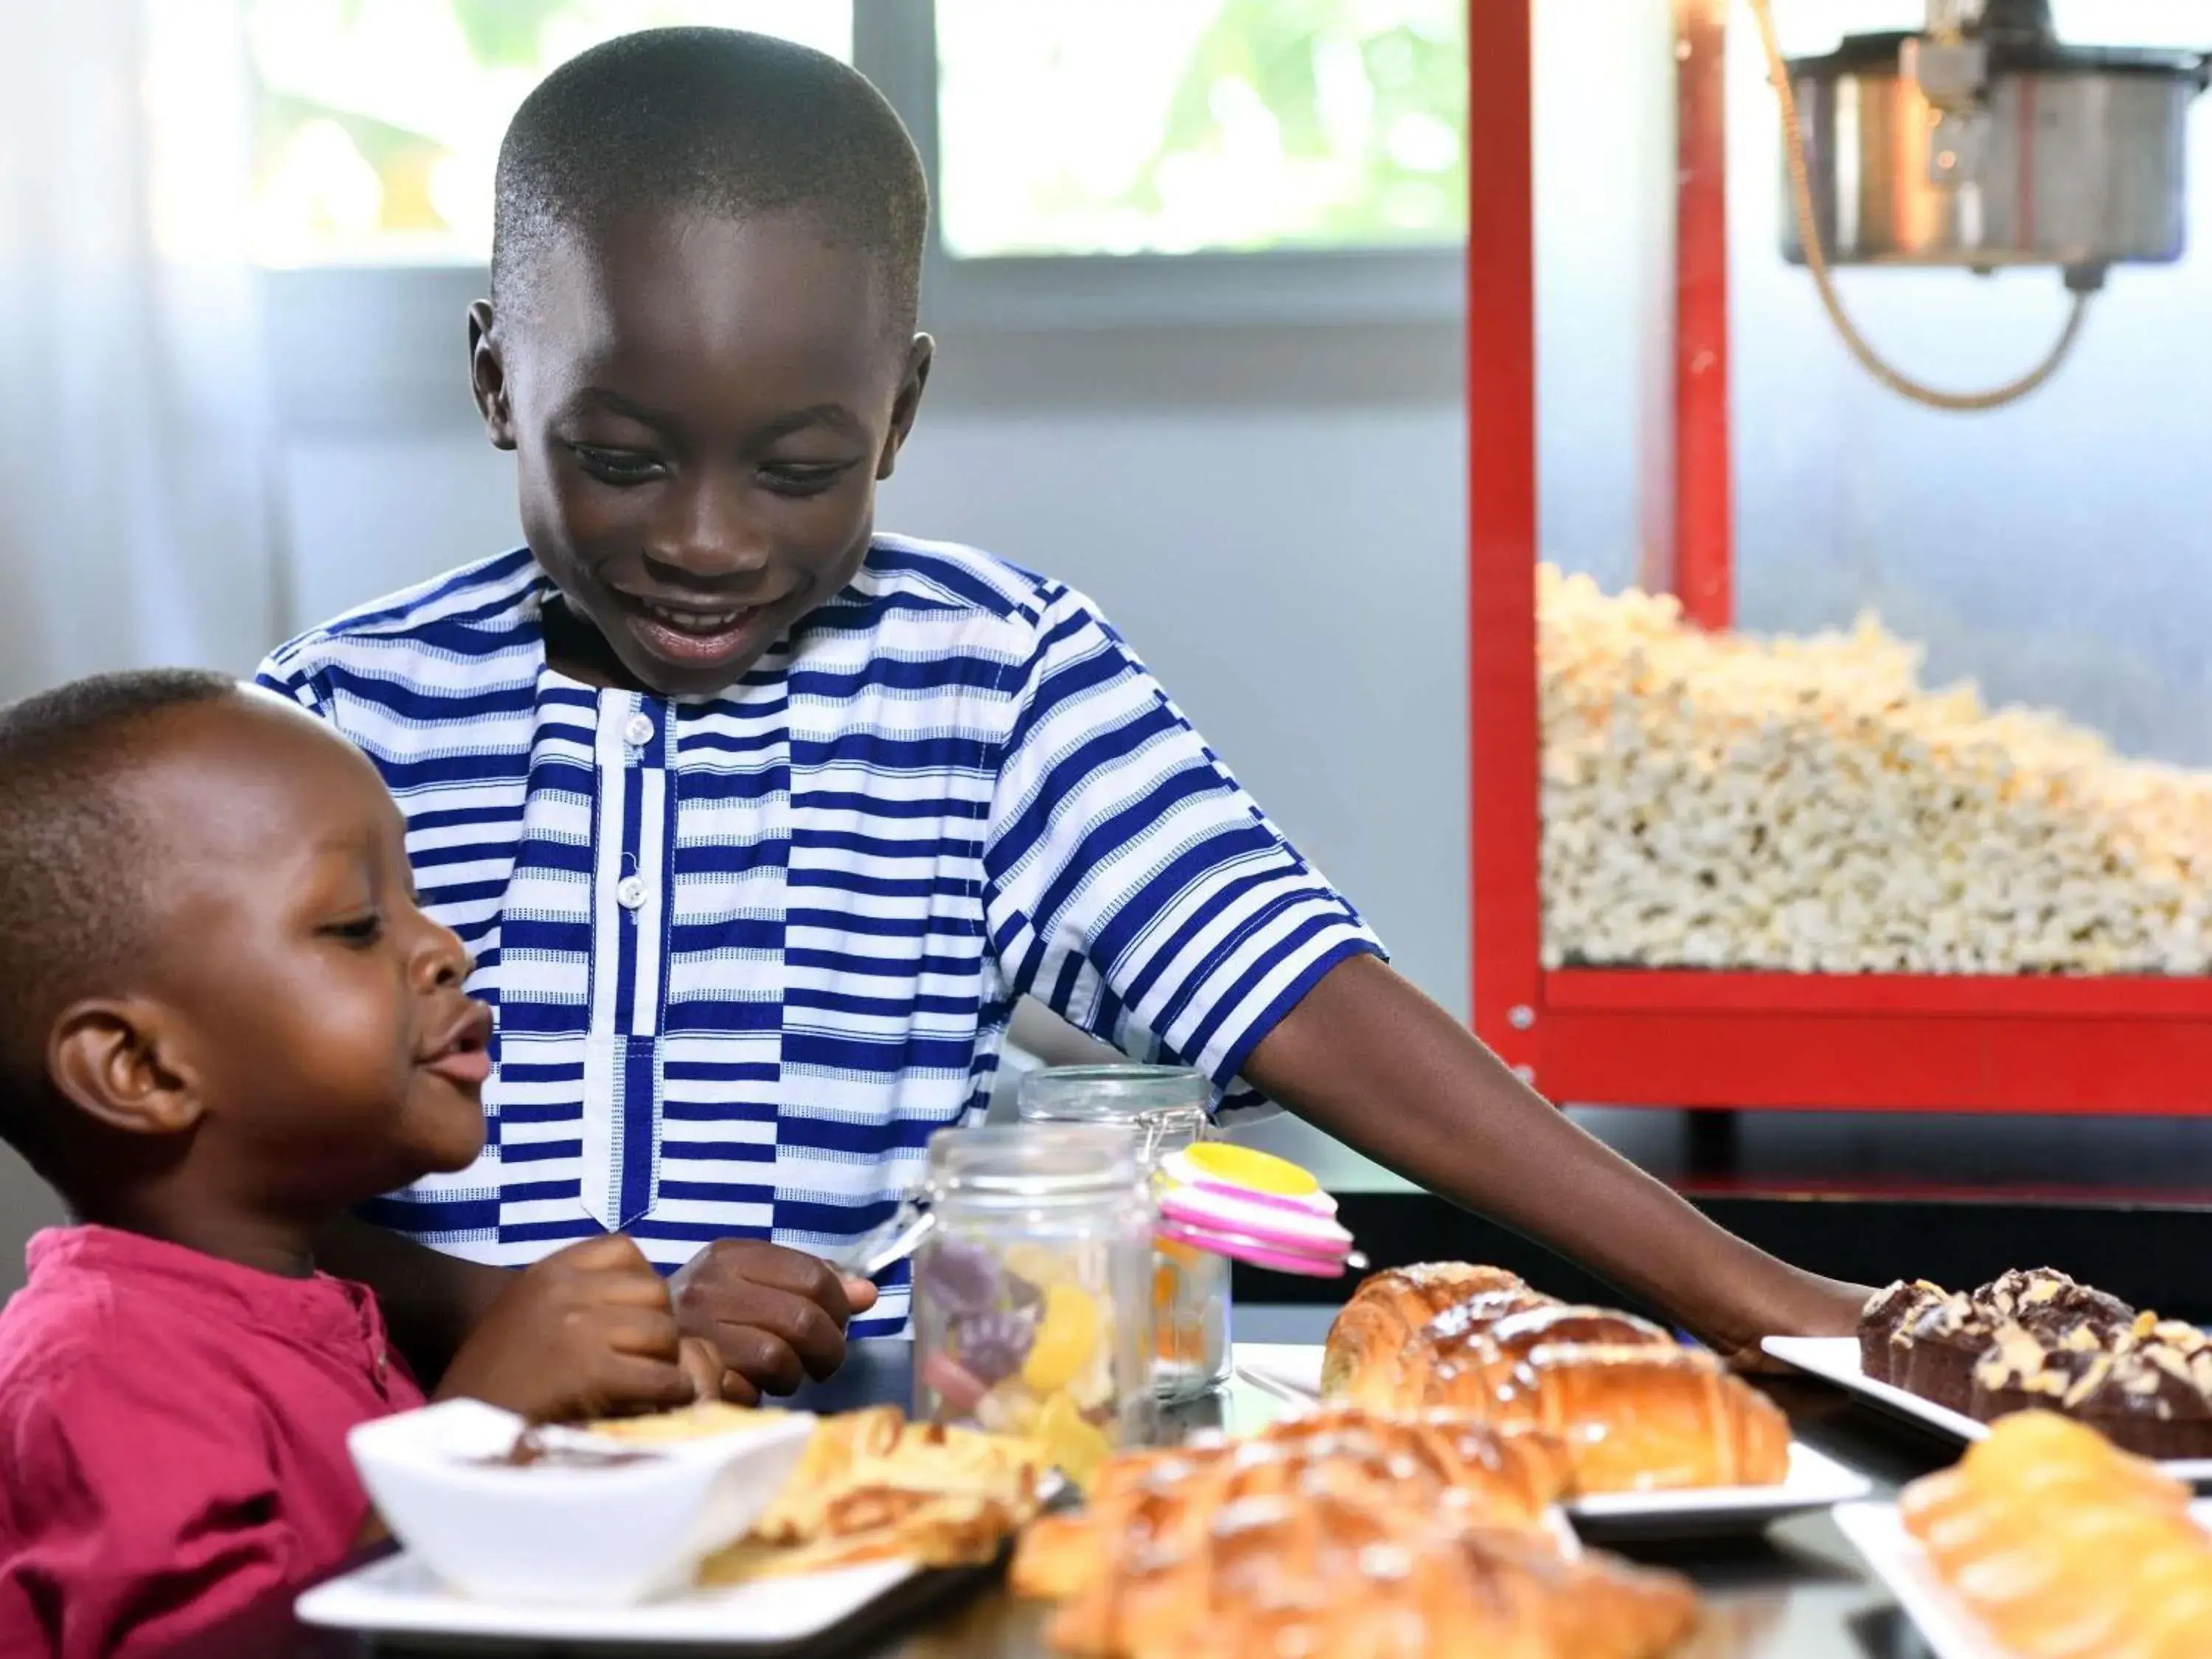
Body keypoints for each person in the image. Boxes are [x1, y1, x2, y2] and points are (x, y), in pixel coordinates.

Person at [256, 27, 1865, 1385]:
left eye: (799, 471)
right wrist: (485, 1313)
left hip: (860, 1500)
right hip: (398, 1485)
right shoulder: (332, 725)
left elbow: (1301, 992)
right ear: (496, 381)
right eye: (621, 459)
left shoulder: (992, 675)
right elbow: (188, 1169)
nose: (707, 539)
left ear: (898, 415)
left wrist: (1759, 1298)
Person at [0, 672, 746, 1658]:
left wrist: (600, 1448)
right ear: (140, 1068)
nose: (447, 949)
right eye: (357, 926)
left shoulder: (328, 1319)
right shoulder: (103, 1370)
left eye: (419, 903)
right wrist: (479, 1429)